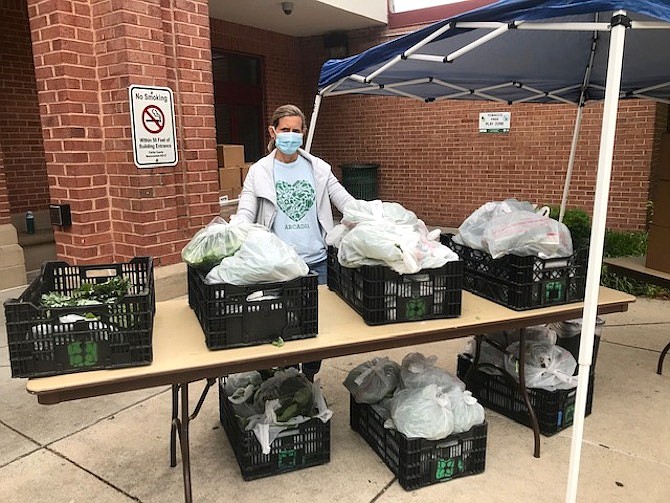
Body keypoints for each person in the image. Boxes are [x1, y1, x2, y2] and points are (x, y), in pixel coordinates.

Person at [235, 104, 355, 381]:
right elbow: (245, 211)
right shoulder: (260, 172)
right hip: (277, 267)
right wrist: (236, 231)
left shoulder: (319, 169)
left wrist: (371, 216)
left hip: (317, 262)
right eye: (284, 130)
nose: (290, 136)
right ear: (273, 132)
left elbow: (345, 201)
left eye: (296, 131)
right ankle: (284, 379)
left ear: (303, 133)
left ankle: (308, 378)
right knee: (279, 325)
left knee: (314, 327)